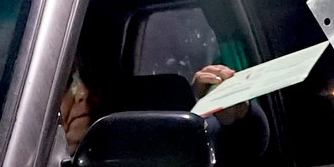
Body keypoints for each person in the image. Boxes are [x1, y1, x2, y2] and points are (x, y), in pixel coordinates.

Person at [58, 62, 248, 151]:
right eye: (66, 82)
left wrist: (230, 111)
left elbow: (246, 145)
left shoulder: (141, 153)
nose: (82, 92)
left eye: (90, 78)